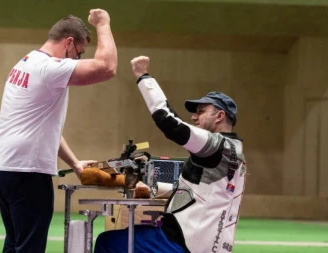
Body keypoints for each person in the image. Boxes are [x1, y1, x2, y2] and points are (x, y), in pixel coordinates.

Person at [0, 9, 117, 253]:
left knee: (15, 244)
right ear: (68, 42)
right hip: (27, 170)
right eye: (79, 53)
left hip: (2, 168)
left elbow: (47, 130)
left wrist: (76, 163)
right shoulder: (49, 68)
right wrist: (103, 24)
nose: (77, 60)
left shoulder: (25, 62)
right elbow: (107, 67)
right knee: (30, 248)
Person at [94, 56, 247, 253]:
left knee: (109, 241)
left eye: (201, 111)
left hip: (181, 243)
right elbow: (201, 194)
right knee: (136, 233)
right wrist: (152, 188)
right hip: (209, 245)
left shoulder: (216, 145)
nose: (194, 116)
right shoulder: (236, 153)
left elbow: (168, 120)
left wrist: (143, 76)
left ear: (219, 116)